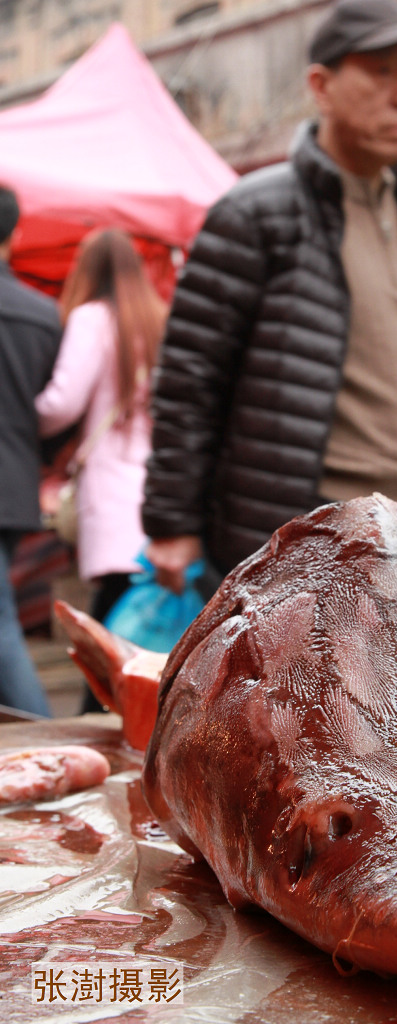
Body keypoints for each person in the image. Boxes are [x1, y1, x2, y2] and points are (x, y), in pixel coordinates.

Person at [142, 0, 397, 595]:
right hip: (311, 529)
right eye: (382, 72)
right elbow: (190, 378)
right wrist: (171, 522)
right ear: (321, 86)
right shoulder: (257, 211)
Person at [36, 229, 167, 710]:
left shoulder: (93, 319)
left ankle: (103, 715)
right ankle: (120, 710)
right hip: (155, 482)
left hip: (112, 484)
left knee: (111, 614)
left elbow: (61, 403)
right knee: (132, 603)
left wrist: (21, 410)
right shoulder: (158, 318)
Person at [0, 185, 62, 717]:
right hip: (15, 484)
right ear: (15, 234)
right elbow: (56, 409)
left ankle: (42, 732)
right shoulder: (42, 313)